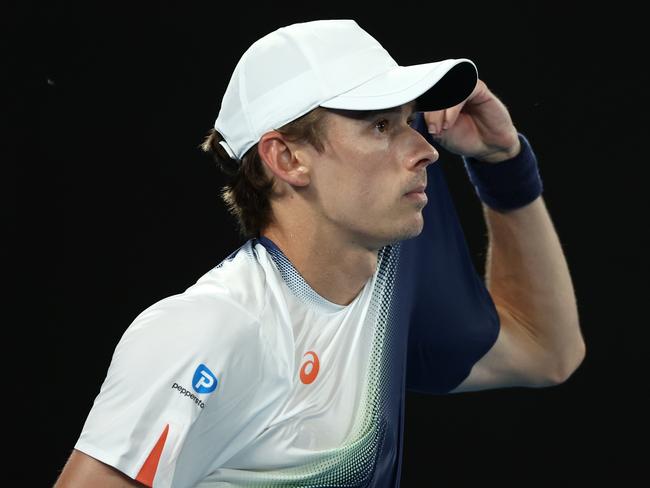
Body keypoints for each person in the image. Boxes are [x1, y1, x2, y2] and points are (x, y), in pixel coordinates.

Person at [54, 18, 585, 488]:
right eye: (381, 125)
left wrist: (502, 163)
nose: (425, 149)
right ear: (287, 158)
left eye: (409, 121)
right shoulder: (207, 329)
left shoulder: (385, 286)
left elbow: (546, 352)